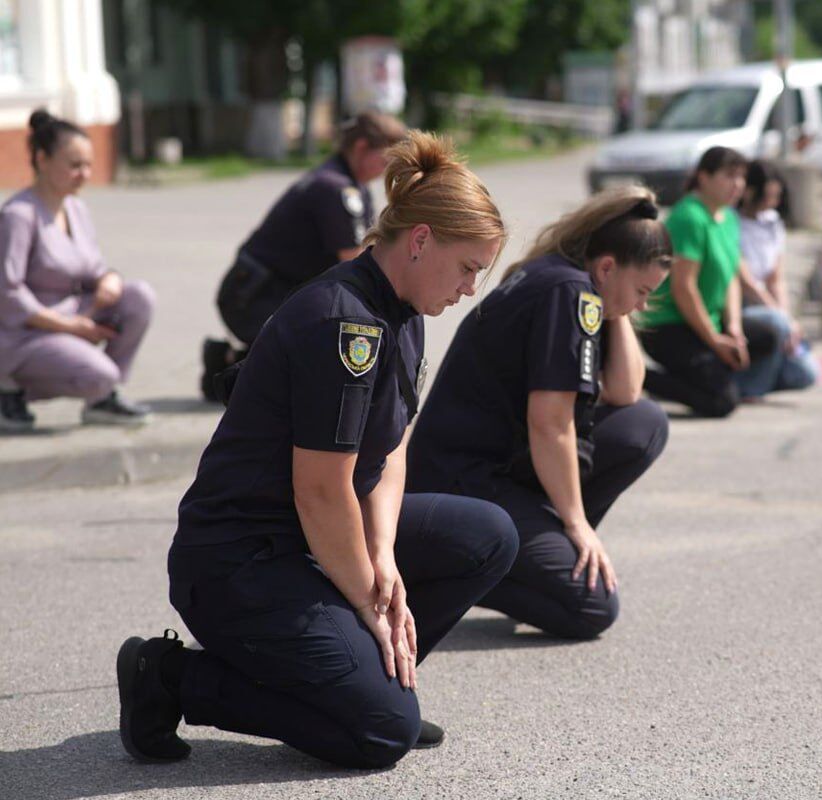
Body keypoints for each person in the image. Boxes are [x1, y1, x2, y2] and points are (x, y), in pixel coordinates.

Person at [117, 132, 517, 769]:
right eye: (469, 266)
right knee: (381, 736)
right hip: (241, 561)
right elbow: (322, 490)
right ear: (420, 241)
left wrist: (383, 558)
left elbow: (392, 447)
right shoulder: (346, 324)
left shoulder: (406, 312)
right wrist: (367, 599)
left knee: (488, 534)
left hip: (315, 538)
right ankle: (171, 679)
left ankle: (371, 683)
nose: (471, 287)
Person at [407, 186, 671, 640]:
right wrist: (576, 523)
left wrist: (621, 305)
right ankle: (464, 564)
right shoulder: (570, 292)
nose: (643, 304)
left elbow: (627, 391)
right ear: (606, 266)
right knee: (592, 608)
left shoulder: (570, 279)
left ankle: (538, 553)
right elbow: (550, 424)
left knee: (645, 425)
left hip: (501, 469)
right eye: (642, 291)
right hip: (465, 481)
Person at [200, 111, 407, 401]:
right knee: (310, 373)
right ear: (361, 148)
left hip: (270, 293)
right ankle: (233, 372)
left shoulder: (350, 184)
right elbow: (356, 264)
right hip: (253, 298)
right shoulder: (334, 189)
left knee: (310, 350)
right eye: (385, 161)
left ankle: (228, 358)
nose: (386, 170)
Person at [0, 109, 155, 431]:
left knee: (139, 296)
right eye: (74, 165)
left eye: (88, 165)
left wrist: (108, 278)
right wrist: (71, 327)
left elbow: (92, 267)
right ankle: (8, 389)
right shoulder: (18, 215)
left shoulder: (76, 207)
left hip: (71, 318)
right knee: (101, 374)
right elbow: (8, 291)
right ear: (42, 160)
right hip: (24, 334)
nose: (84, 174)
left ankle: (102, 399)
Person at [638, 146, 788, 417]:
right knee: (722, 402)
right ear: (703, 177)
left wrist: (733, 328)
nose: (738, 184)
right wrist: (715, 340)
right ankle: (644, 378)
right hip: (670, 327)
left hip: (707, 322)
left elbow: (730, 277)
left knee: (768, 336)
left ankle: (699, 374)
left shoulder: (729, 216)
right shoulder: (690, 218)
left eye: (741, 177)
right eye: (729, 175)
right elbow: (684, 288)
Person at [735, 160, 820, 396]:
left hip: (767, 303)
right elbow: (746, 282)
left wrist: (787, 316)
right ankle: (752, 388)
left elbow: (776, 279)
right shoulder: (733, 222)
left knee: (807, 373)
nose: (773, 202)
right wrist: (781, 318)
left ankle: (761, 374)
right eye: (768, 195)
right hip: (744, 303)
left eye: (776, 196)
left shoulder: (773, 223)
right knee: (777, 323)